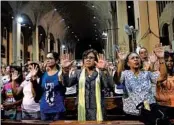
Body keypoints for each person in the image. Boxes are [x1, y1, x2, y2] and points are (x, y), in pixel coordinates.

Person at [114, 43, 171, 125]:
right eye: (132, 58)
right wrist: (121, 61)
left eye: (137, 58)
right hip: (132, 112)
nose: (136, 59)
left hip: (149, 110)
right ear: (128, 63)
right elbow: (117, 80)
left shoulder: (147, 73)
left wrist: (161, 58)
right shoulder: (125, 74)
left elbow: (163, 77)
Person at [62, 49, 114, 121]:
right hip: (82, 108)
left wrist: (104, 70)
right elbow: (67, 83)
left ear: (96, 60)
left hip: (98, 108)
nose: (88, 59)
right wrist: (65, 70)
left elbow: (109, 86)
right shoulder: (78, 73)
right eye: (85, 58)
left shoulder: (100, 72)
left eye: (91, 58)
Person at [33, 52, 66, 121]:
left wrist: (61, 80)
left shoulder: (60, 74)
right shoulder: (43, 75)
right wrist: (34, 80)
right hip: (44, 110)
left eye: (50, 58)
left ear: (56, 60)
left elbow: (64, 91)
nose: (48, 60)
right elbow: (39, 92)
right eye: (47, 58)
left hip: (58, 110)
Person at [156, 51, 174, 119]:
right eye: (167, 61)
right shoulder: (157, 75)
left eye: (171, 61)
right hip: (162, 108)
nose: (169, 63)